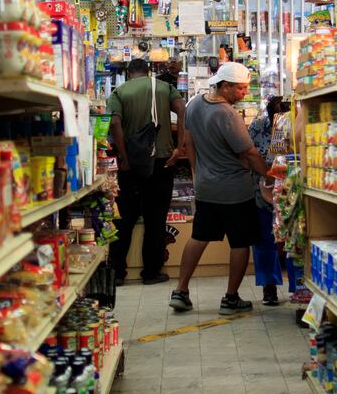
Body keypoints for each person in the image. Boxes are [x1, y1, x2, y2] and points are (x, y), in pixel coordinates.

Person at [169, 62, 269, 315]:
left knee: (199, 236)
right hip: (235, 190)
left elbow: (188, 141)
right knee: (240, 242)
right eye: (241, 89)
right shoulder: (227, 115)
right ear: (225, 86)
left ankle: (180, 291)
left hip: (206, 187)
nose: (245, 93)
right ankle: (230, 298)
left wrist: (197, 171)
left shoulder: (193, 104)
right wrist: (269, 175)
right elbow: (249, 153)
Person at [108, 58, 185, 286]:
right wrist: (179, 147)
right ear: (148, 71)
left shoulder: (118, 92)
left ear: (129, 73)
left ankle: (118, 273)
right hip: (162, 160)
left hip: (131, 165)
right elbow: (182, 110)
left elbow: (114, 124)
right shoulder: (164, 87)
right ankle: (151, 272)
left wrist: (123, 156)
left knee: (123, 219)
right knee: (155, 219)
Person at [249, 96, 286, 306]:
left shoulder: (293, 124)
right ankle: (269, 287)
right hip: (262, 190)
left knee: (292, 240)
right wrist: (266, 174)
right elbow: (247, 154)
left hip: (290, 191)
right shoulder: (258, 125)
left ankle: (299, 287)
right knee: (264, 239)